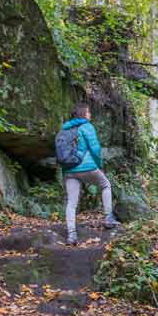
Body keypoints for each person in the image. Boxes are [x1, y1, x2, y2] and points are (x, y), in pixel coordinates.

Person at [61, 103, 120, 244]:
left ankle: (72, 235)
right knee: (106, 185)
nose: (90, 114)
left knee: (72, 202)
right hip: (87, 166)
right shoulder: (87, 126)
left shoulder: (65, 129)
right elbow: (95, 148)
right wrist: (99, 165)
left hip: (69, 169)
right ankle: (108, 219)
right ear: (83, 113)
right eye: (88, 112)